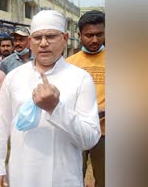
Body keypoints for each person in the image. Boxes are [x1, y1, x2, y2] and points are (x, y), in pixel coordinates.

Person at [0, 10, 101, 187]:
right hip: (21, 174)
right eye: (37, 37)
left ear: (65, 38)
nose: (43, 43)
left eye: (50, 36)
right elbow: (1, 125)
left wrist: (56, 108)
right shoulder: (14, 77)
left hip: (63, 176)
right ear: (30, 42)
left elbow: (89, 139)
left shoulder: (80, 78)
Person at [66, 10, 105, 187]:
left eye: (99, 34)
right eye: (89, 35)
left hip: (106, 132)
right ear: (80, 35)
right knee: (72, 176)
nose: (95, 40)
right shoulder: (69, 63)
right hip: (76, 130)